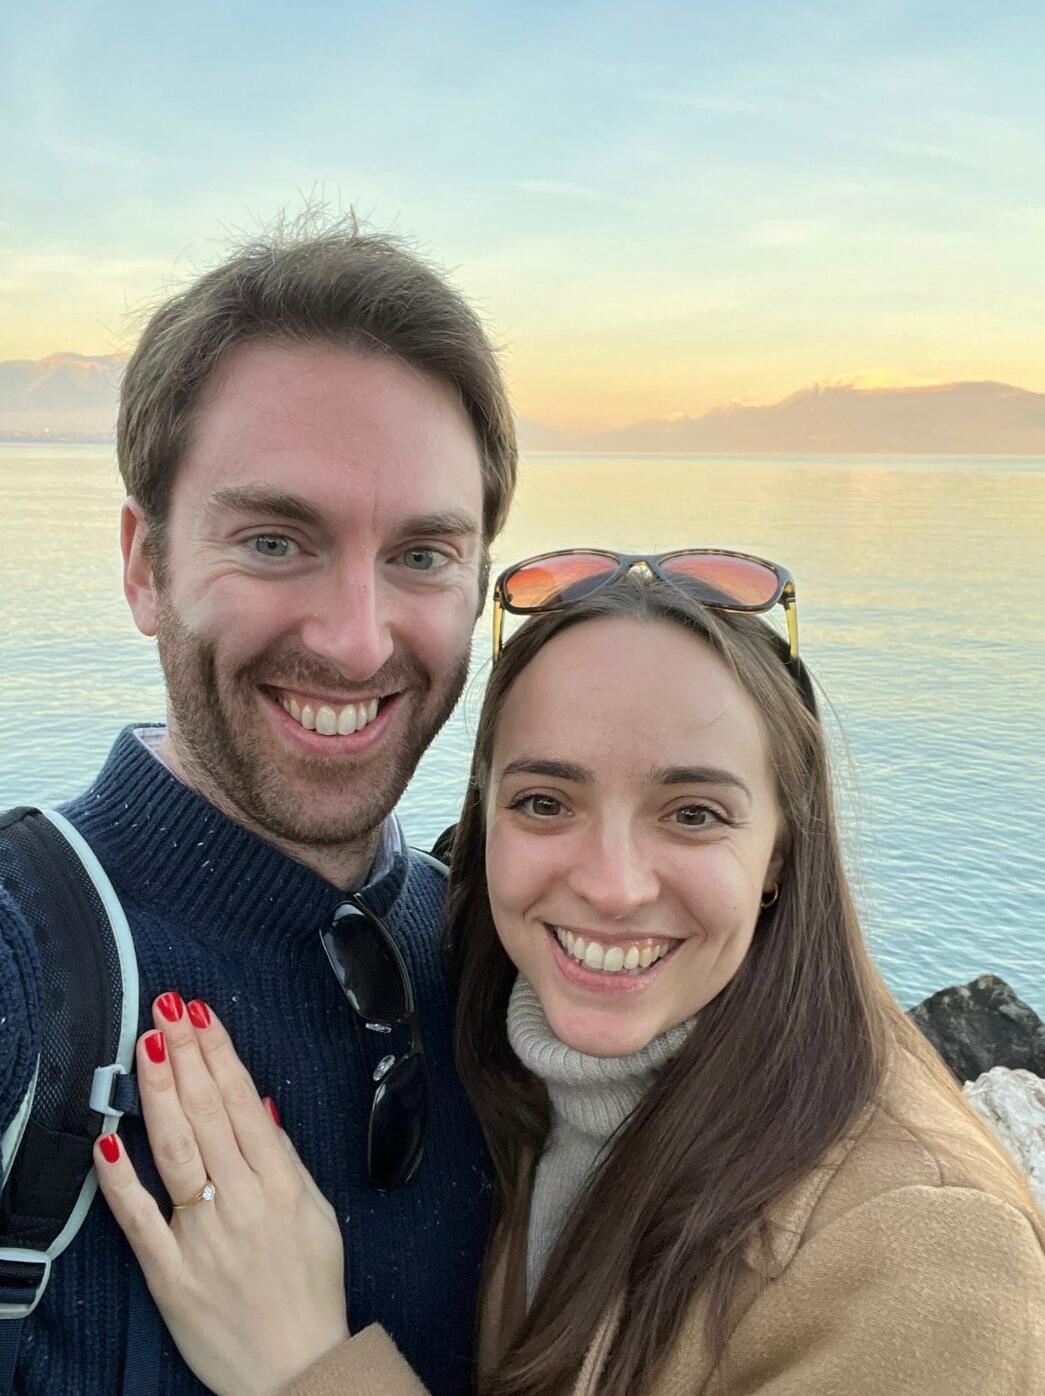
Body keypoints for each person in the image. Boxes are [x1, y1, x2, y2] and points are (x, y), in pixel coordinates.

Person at [95, 552, 1045, 1395]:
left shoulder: (927, 1256)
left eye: (693, 814)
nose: (611, 886)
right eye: (546, 802)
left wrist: (303, 1362)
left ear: (781, 853)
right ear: (484, 820)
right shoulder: (515, 1076)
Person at [0, 218, 518, 1394]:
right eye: (276, 540)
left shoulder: (508, 970)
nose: (357, 640)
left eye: (423, 555)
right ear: (145, 566)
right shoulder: (28, 979)